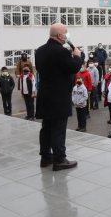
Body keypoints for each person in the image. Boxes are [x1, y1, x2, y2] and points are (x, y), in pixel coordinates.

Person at [35, 23, 82, 171]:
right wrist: (77, 56)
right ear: (60, 36)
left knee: (46, 127)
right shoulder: (60, 52)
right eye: (66, 32)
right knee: (58, 129)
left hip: (44, 95)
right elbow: (73, 67)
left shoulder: (40, 51)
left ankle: (45, 157)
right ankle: (60, 159)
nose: (67, 34)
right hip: (59, 97)